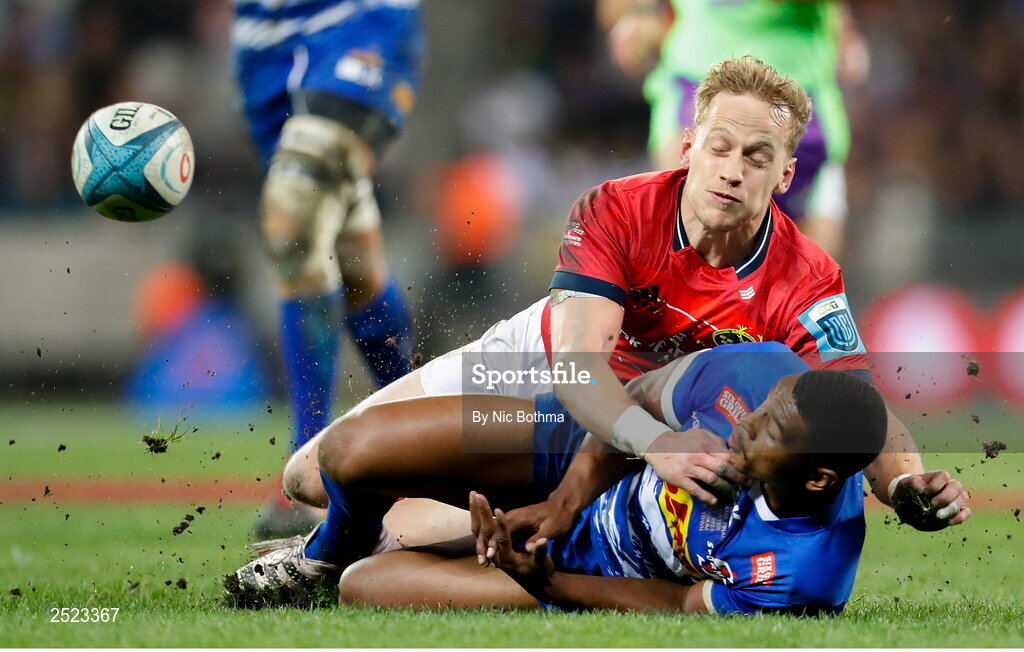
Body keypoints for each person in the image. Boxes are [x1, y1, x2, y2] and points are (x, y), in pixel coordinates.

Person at [273, 56, 935, 537]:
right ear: (688, 147)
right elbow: (576, 366)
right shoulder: (617, 209)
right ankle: (421, 532)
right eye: (720, 147)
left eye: (757, 157)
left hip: (622, 448)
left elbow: (857, 406)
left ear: (787, 173)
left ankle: (409, 543)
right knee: (310, 478)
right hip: (533, 370)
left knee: (416, 537)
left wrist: (905, 481)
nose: (733, 170)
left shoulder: (807, 276)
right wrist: (655, 442)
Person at [225, 342, 970, 614]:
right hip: (564, 421)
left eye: (770, 434)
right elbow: (636, 393)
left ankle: (387, 548)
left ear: (815, 482)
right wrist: (564, 497)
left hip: (573, 563)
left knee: (369, 586)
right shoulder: (761, 372)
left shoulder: (806, 574)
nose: (745, 427)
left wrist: (543, 578)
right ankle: (326, 550)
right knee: (341, 456)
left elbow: (679, 601)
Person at [231, 0, 423, 535]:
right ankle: (423, 449)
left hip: (358, 19)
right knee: (354, 264)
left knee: (294, 219)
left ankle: (309, 481)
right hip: (264, 36)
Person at [598, 0, 869, 258]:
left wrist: (843, 31)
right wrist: (640, 13)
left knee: (803, 279)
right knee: (683, 245)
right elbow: (615, 9)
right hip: (695, 86)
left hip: (800, 110)